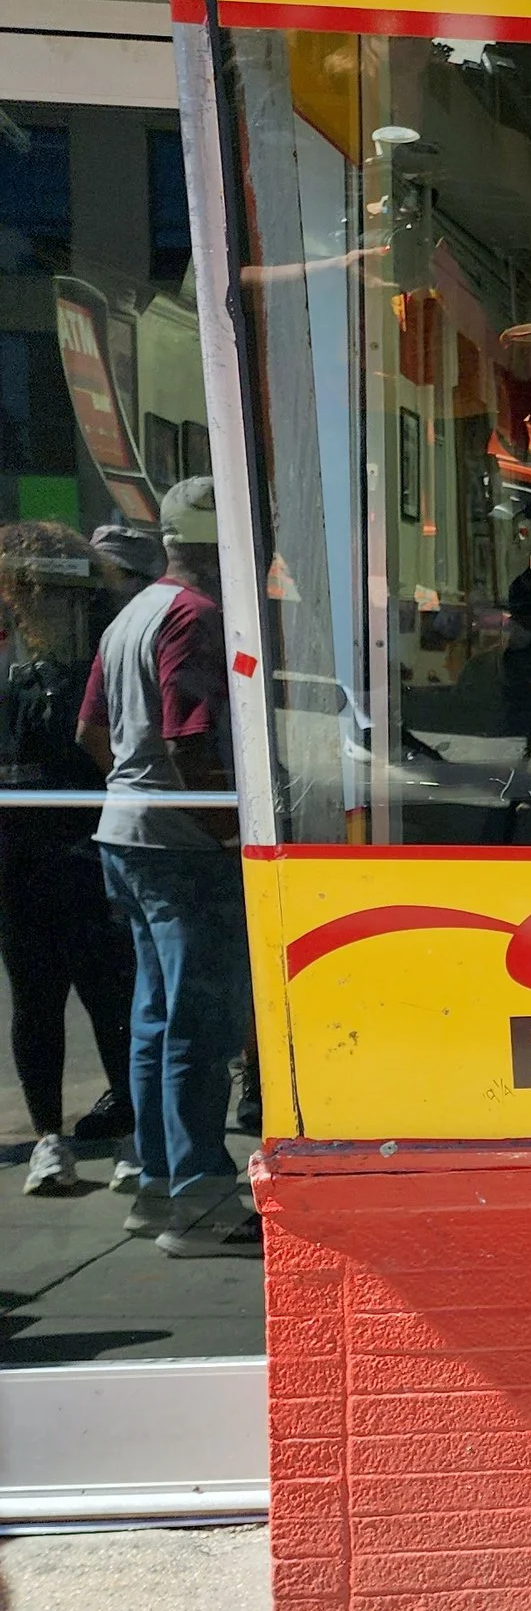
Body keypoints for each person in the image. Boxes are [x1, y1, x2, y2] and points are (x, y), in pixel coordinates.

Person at [78, 486, 260, 1257]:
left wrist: (133, 788)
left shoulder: (135, 611)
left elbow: (90, 729)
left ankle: (158, 1184)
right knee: (197, 1023)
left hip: (130, 833)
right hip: (182, 846)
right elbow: (191, 740)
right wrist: (229, 835)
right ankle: (201, 1195)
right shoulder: (195, 616)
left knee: (156, 1020)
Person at [0, 521, 134, 1192]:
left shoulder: (91, 671)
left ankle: (122, 1130)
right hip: (28, 861)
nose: (41, 609)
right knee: (39, 999)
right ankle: (50, 1134)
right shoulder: (24, 677)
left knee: (106, 994)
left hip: (81, 854)